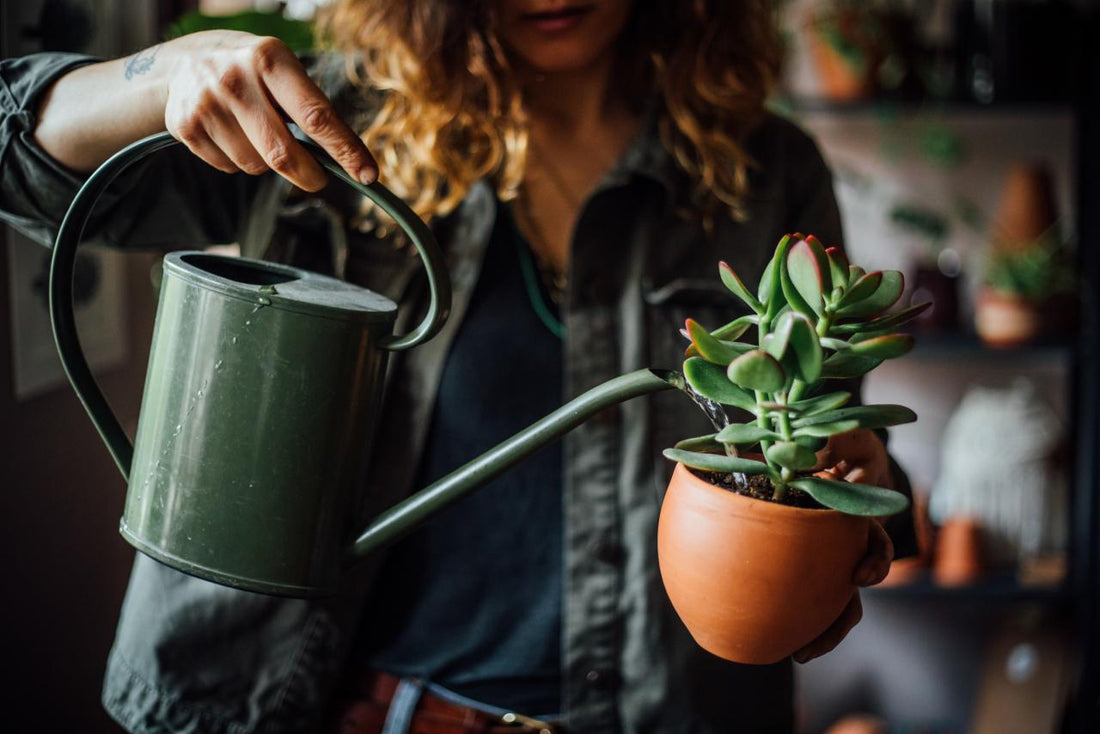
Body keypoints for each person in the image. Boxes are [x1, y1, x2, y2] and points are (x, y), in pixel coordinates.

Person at [0, 1, 915, 732]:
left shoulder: (766, 172)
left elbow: (828, 440)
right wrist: (166, 72)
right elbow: (19, 163)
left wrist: (847, 500)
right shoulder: (319, 129)